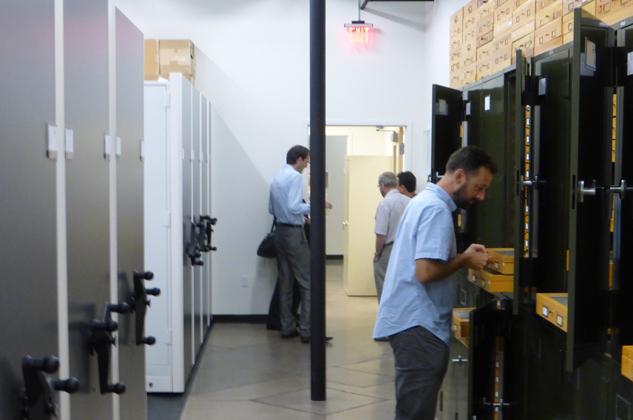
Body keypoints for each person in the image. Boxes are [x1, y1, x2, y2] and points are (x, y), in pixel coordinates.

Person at [373, 145, 496, 420]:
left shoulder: (424, 200)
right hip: (419, 326)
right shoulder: (436, 210)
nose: (482, 196)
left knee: (412, 409)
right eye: (479, 187)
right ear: (460, 176)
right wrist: (465, 259)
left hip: (410, 322)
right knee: (414, 413)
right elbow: (426, 271)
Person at [269, 145, 332, 344]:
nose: (307, 165)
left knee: (286, 282)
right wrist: (318, 204)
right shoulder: (295, 177)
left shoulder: (277, 176)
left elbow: (272, 208)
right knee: (308, 282)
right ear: (299, 159)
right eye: (307, 161)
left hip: (280, 231)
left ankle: (287, 326)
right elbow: (294, 206)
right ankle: (307, 330)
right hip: (294, 234)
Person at [374, 172, 410, 302]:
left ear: (383, 185)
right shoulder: (409, 202)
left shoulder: (385, 204)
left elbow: (381, 234)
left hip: (389, 250)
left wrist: (377, 253)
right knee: (402, 288)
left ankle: (386, 318)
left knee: (384, 286)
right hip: (407, 249)